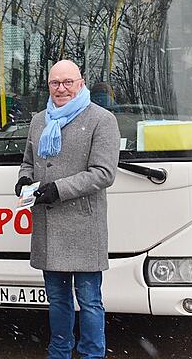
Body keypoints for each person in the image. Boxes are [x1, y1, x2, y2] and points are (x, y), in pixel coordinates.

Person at [15, 59, 120, 359]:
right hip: (48, 228)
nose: (61, 88)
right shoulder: (39, 121)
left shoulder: (102, 120)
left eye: (67, 82)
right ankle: (59, 351)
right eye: (54, 83)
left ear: (81, 83)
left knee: (89, 301)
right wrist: (24, 179)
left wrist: (58, 189)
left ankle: (92, 354)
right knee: (58, 300)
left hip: (84, 227)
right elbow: (28, 162)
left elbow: (103, 174)